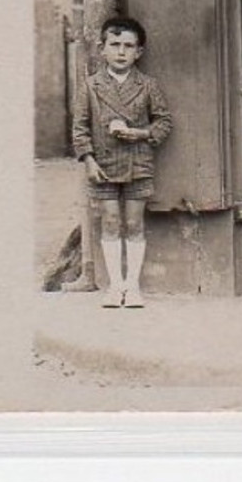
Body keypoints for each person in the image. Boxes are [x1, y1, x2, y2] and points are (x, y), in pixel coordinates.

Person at [71, 16, 174, 308]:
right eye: (114, 45)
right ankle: (116, 286)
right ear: (102, 49)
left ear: (138, 52)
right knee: (111, 222)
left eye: (128, 46)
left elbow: (164, 122)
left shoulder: (147, 85)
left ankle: (133, 286)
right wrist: (89, 160)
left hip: (138, 162)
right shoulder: (90, 87)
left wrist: (140, 133)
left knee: (134, 222)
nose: (121, 52)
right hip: (102, 165)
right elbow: (79, 128)